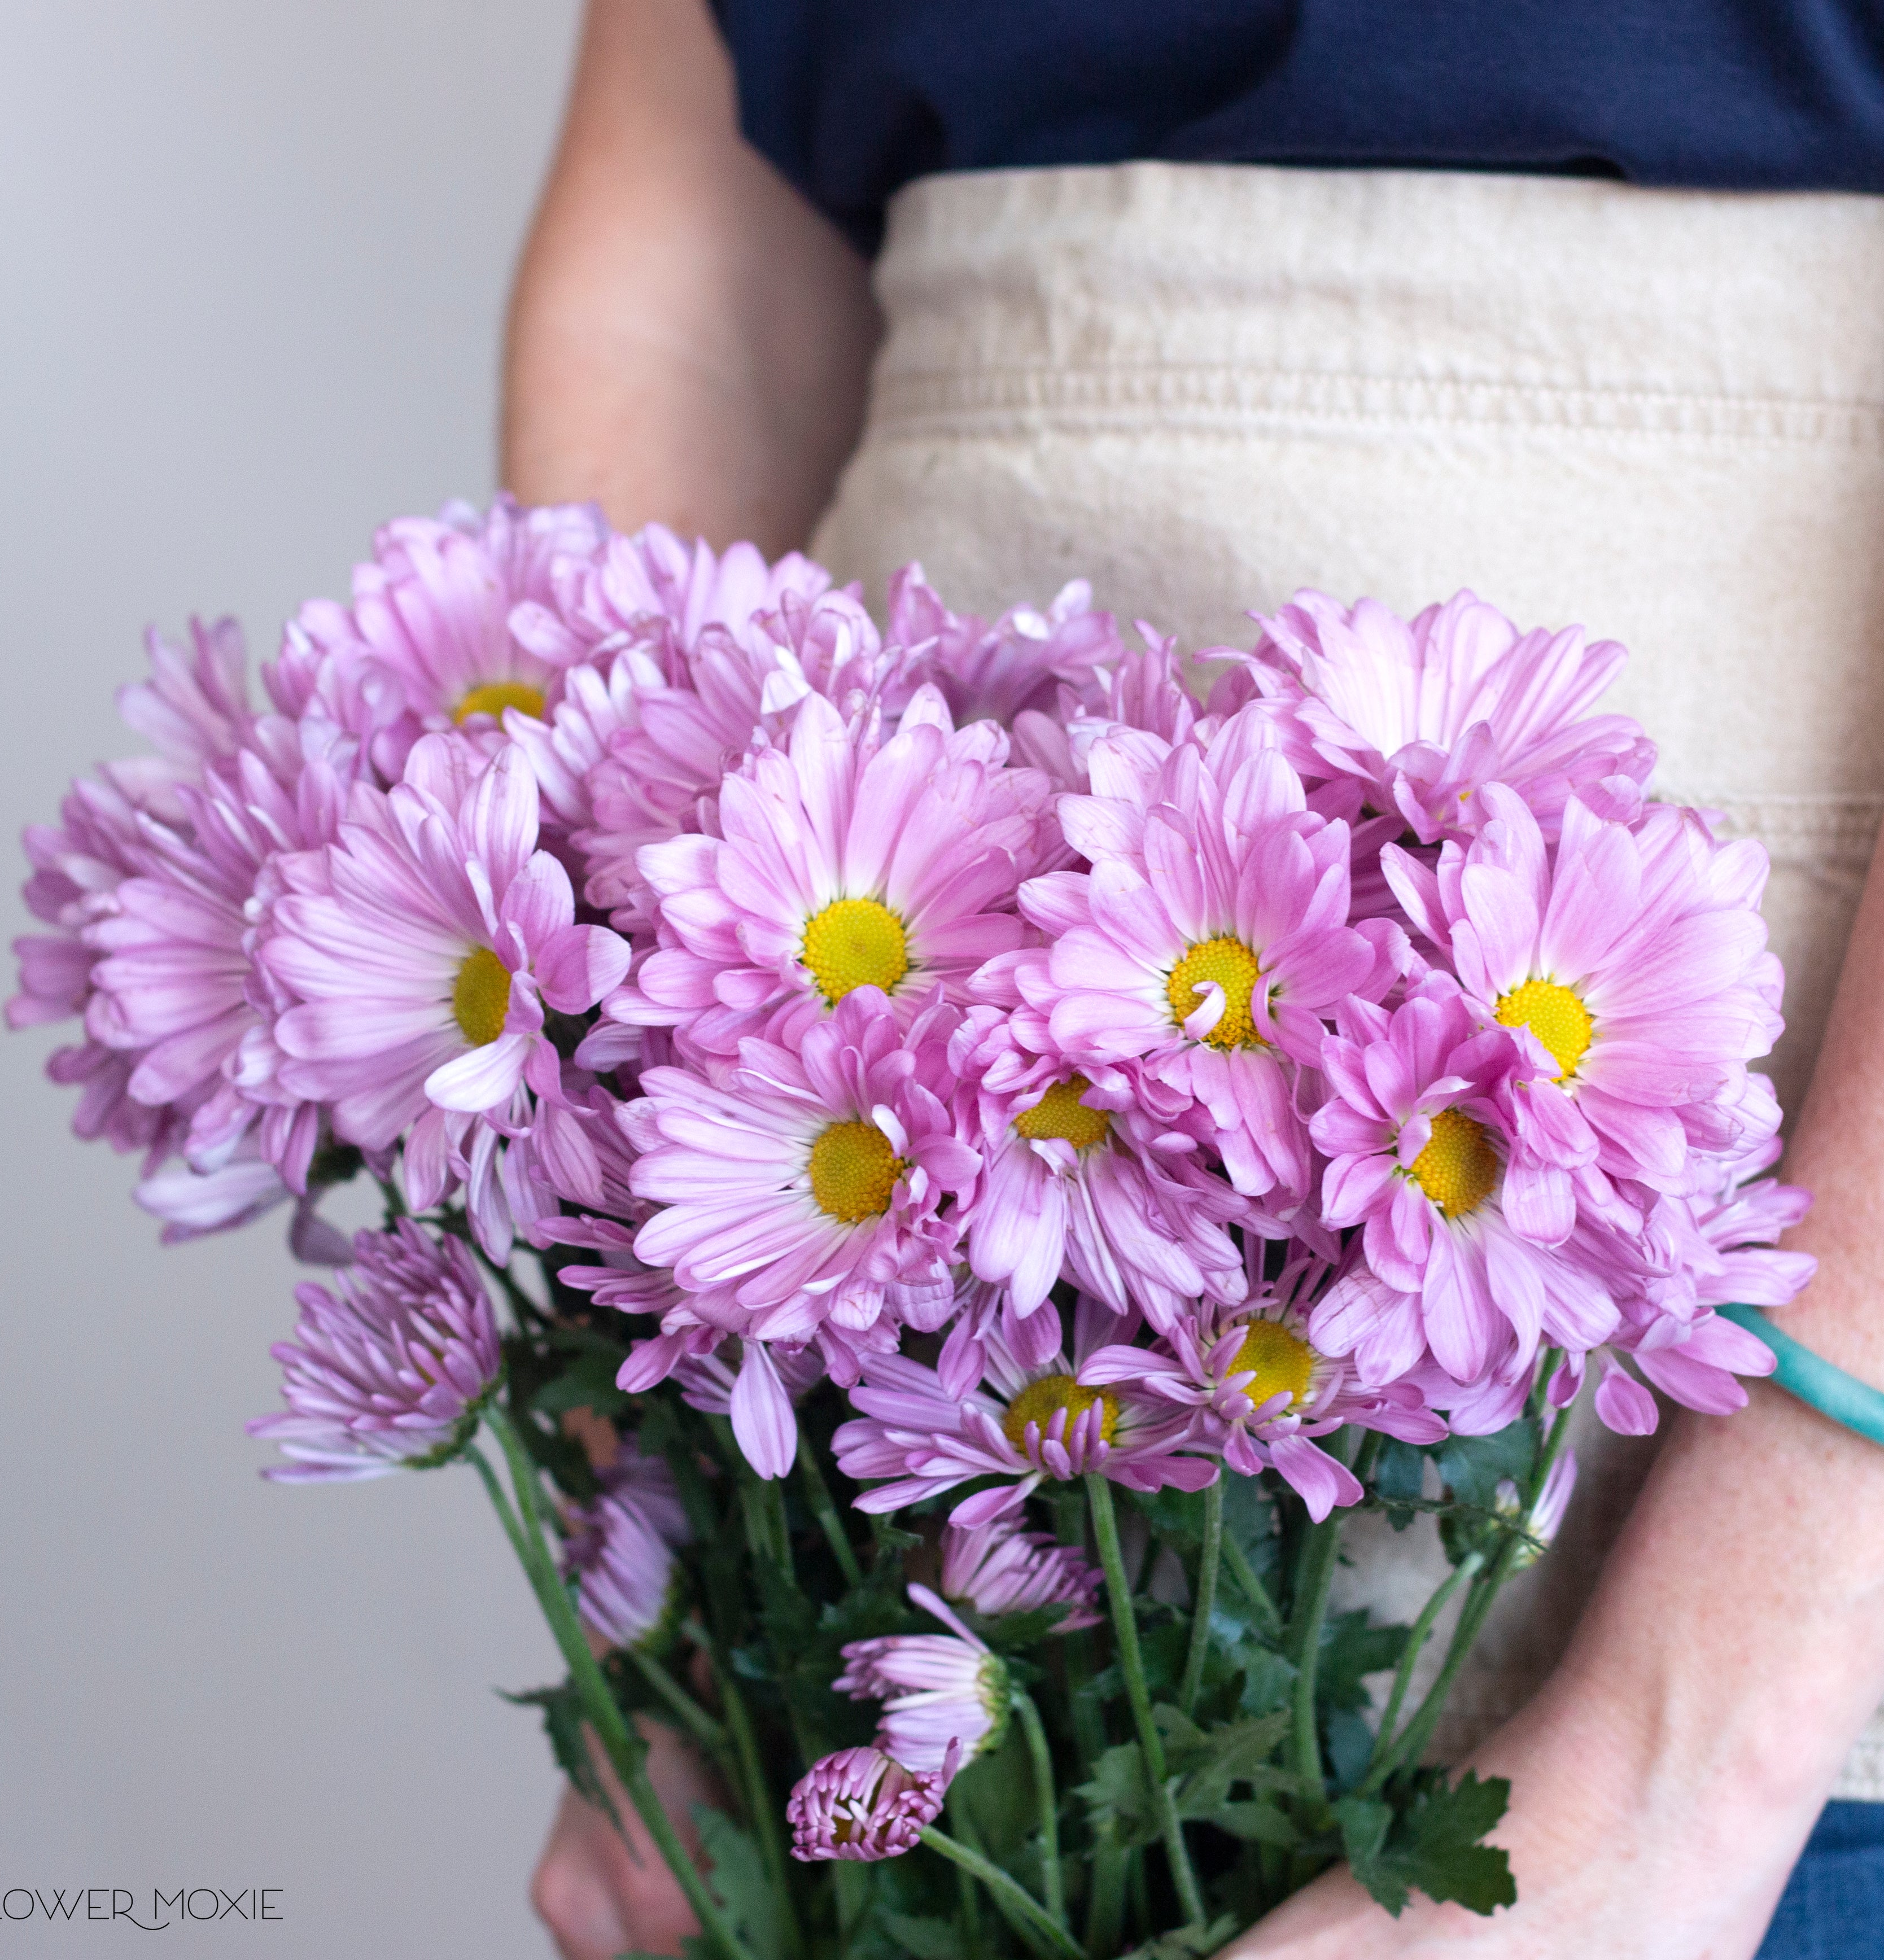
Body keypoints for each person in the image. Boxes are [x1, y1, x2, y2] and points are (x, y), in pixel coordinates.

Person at [504, 3, 1884, 1954]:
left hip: (1744, 1579)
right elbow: (703, 269)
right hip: (879, 1490)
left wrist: (1701, 1744)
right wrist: (652, 1540)